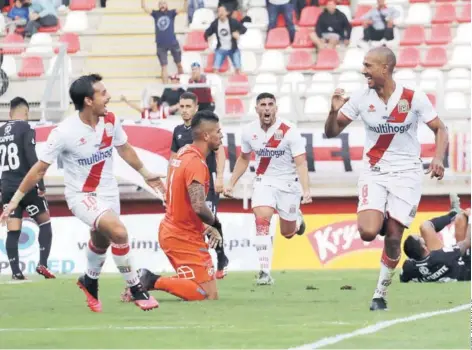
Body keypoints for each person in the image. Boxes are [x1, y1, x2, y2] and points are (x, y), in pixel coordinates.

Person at [0, 74, 164, 312]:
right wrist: (14, 201)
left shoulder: (110, 120)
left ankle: (89, 280)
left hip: (108, 191)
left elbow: (124, 148)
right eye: (103, 93)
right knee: (119, 232)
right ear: (88, 100)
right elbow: (38, 170)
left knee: (102, 240)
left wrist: (146, 172)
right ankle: (136, 287)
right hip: (81, 195)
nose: (108, 97)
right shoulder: (64, 132)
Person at [324, 46, 449, 310]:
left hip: (406, 175)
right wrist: (333, 111)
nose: (363, 70)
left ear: (385, 68)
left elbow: (440, 128)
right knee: (368, 232)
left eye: (369, 66)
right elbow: (332, 132)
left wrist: (438, 157)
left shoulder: (413, 98)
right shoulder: (360, 98)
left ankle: (380, 294)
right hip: (374, 172)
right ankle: (380, 217)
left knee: (394, 237)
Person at [121, 110, 223, 302]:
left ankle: (146, 281)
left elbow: (184, 203)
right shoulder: (196, 163)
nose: (221, 135)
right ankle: (151, 280)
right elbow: (199, 206)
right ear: (206, 135)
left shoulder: (184, 152)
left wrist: (205, 227)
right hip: (182, 236)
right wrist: (216, 224)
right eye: (218, 131)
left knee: (200, 286)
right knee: (207, 295)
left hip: (177, 229)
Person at [224, 92, 312, 285]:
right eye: (262, 104)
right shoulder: (248, 131)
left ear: (276, 108)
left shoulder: (289, 130)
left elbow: (301, 163)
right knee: (261, 220)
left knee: (287, 233)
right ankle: (265, 272)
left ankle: (296, 219)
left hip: (288, 184)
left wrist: (306, 190)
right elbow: (244, 158)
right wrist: (231, 183)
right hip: (264, 180)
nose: (266, 108)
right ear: (256, 109)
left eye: (270, 104)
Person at [169, 92, 229, 279]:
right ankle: (199, 264)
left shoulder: (207, 128)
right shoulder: (178, 131)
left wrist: (219, 178)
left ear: (196, 108)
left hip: (206, 183)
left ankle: (219, 258)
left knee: (206, 219)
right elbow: (173, 159)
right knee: (193, 222)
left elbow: (219, 153)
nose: (185, 110)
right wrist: (169, 185)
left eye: (188, 106)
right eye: (182, 106)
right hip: (185, 184)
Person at [0, 97, 54, 280]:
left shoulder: (0, 131)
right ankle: (43, 265)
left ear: (10, 113)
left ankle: (16, 272)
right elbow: (31, 156)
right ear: (26, 112)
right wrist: (41, 184)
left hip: (6, 186)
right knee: (45, 223)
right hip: (26, 185)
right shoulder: (26, 128)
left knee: (13, 230)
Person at [400, 193, 471, 283]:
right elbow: (468, 241)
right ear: (425, 247)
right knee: (462, 219)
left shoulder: (409, 267)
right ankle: (456, 213)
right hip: (466, 269)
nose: (422, 236)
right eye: (421, 238)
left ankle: (454, 213)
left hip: (440, 263)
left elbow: (403, 277)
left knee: (425, 227)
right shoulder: (443, 256)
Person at [141, 0, 184, 83]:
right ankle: (166, 88)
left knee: (179, 64)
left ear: (167, 5)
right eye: (160, 4)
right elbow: (144, 8)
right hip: (161, 45)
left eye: (163, 3)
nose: (162, 5)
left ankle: (182, 83)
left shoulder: (171, 13)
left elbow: (183, 8)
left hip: (173, 43)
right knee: (164, 66)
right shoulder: (156, 14)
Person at [204, 5, 246, 74]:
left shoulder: (233, 22)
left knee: (238, 69)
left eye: (222, 11)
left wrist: (238, 32)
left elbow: (244, 29)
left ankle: (238, 81)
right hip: (221, 49)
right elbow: (207, 33)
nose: (221, 13)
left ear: (227, 13)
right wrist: (207, 38)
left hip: (233, 49)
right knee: (215, 69)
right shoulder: (215, 23)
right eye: (219, 11)